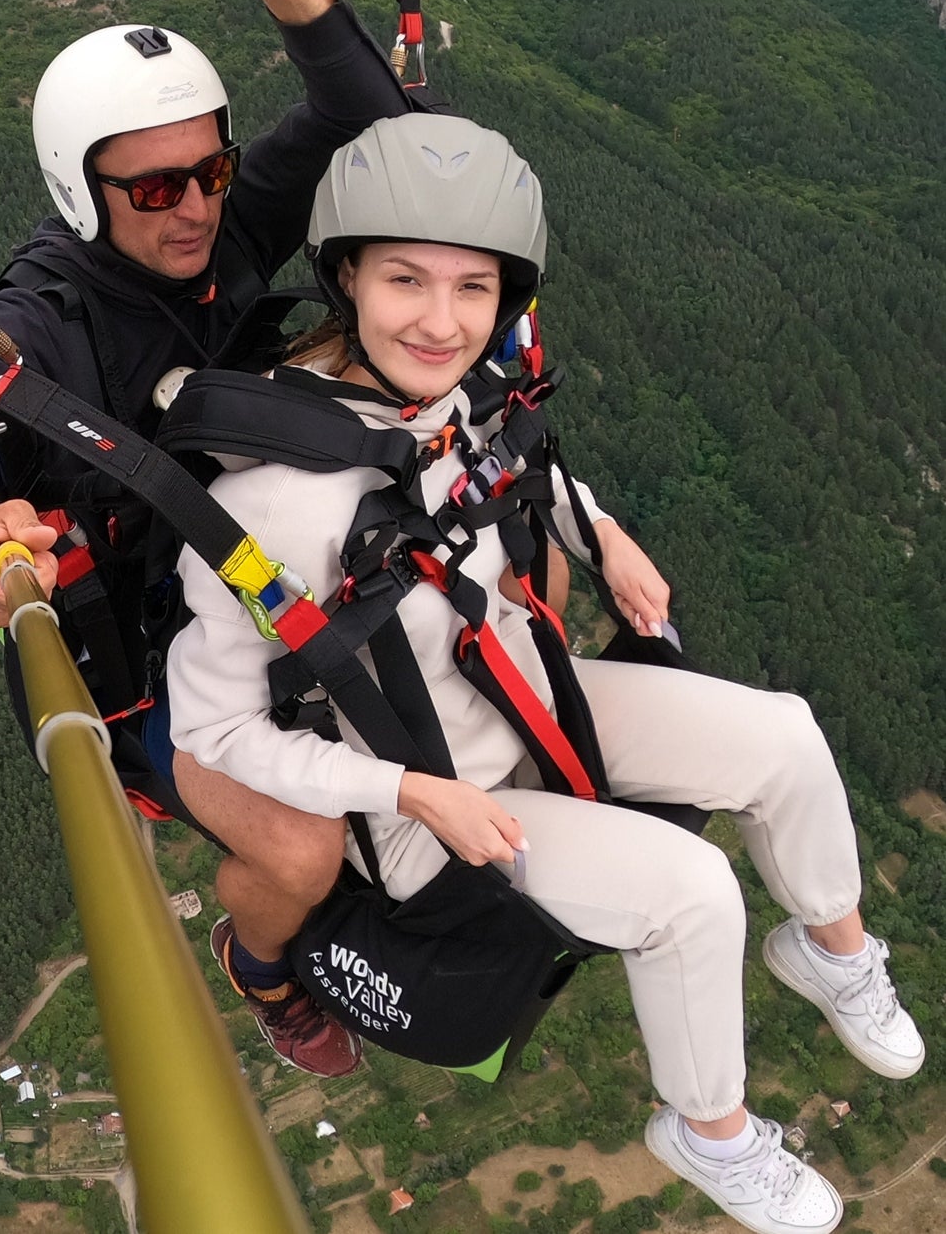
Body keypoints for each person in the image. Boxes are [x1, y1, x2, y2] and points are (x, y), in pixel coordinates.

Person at [165, 112, 925, 1234]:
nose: (439, 319)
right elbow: (214, 734)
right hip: (435, 804)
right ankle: (707, 1130)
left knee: (785, 733)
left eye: (472, 289)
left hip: (531, 695)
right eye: (405, 281)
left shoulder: (452, 395)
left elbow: (518, 471)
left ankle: (832, 948)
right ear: (345, 279)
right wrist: (407, 794)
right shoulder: (261, 503)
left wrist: (600, 535)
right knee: (690, 895)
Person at [0, 0, 414, 1077]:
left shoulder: (212, 234)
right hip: (147, 648)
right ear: (84, 192)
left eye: (212, 169)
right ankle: (262, 971)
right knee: (304, 853)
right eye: (155, 190)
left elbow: (364, 117)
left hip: (260, 569)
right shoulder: (37, 322)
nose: (200, 206)